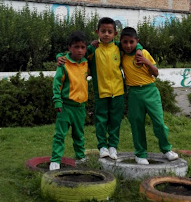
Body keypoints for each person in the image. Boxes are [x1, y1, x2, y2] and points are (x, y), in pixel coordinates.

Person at [57, 17, 142, 160]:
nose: (106, 34)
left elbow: (135, 46)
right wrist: (59, 56)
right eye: (103, 31)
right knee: (101, 120)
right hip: (101, 92)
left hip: (118, 92)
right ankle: (102, 146)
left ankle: (113, 146)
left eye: (110, 32)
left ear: (115, 34)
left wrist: (139, 49)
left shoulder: (119, 48)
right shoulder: (92, 49)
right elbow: (74, 53)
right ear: (97, 32)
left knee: (115, 120)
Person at [120, 26, 178, 165]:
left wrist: (146, 61)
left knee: (159, 122)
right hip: (134, 93)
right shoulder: (121, 55)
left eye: (131, 42)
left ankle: (166, 149)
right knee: (137, 124)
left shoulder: (144, 52)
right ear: (121, 42)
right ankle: (140, 153)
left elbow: (156, 73)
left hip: (150, 91)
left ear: (137, 41)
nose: (128, 45)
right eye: (125, 42)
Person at [49, 31, 88, 170]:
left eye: (83, 47)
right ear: (69, 47)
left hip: (80, 107)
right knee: (60, 134)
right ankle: (55, 160)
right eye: (76, 47)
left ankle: (80, 157)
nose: (79, 50)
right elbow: (57, 83)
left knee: (79, 134)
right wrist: (57, 101)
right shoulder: (63, 64)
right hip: (65, 106)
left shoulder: (86, 63)